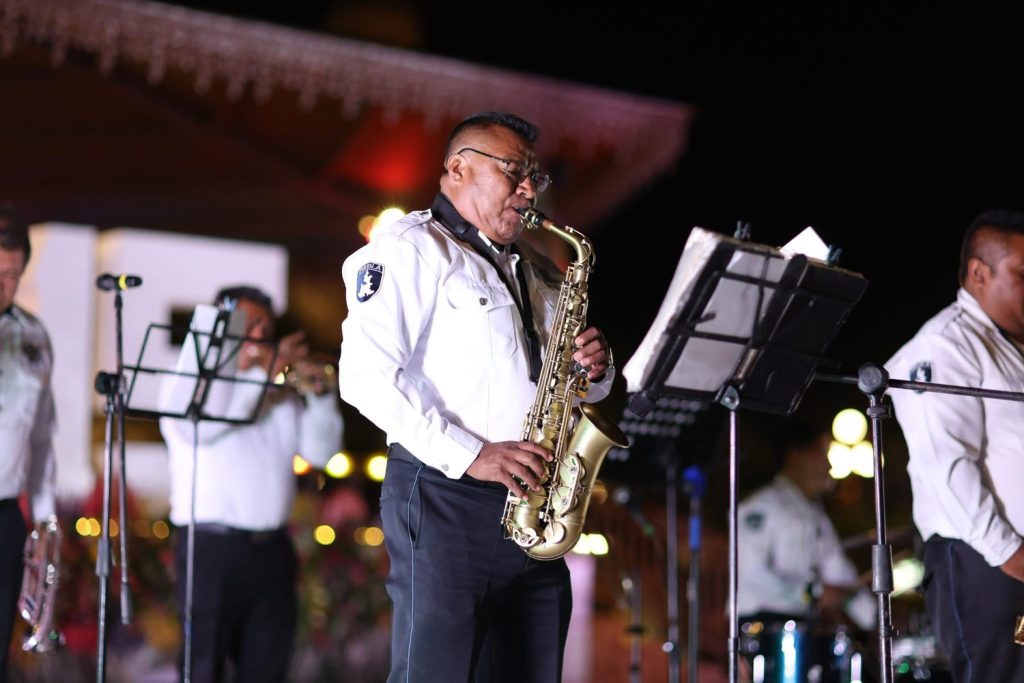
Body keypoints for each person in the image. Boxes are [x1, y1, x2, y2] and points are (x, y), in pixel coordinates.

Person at [337, 111, 615, 682]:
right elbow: (365, 376)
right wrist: (473, 454)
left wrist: (598, 368)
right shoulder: (411, 248)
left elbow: (566, 383)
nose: (528, 189)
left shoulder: (538, 269)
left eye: (535, 177)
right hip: (445, 497)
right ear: (458, 168)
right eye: (513, 171)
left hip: (534, 506)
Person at [159, 285, 343, 683]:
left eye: (266, 326)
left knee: (268, 668)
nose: (259, 334)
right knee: (203, 667)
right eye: (249, 323)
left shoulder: (279, 390)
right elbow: (207, 427)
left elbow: (320, 454)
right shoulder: (189, 382)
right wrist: (265, 372)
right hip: (211, 548)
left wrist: (322, 397)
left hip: (273, 549)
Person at [886, 209, 1024, 681]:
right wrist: (1010, 555)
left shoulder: (1010, 347)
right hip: (988, 564)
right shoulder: (945, 345)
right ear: (979, 273)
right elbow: (946, 465)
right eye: (1023, 273)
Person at [736, 422, 875, 680]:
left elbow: (840, 573)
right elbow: (751, 575)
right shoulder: (761, 507)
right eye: (823, 454)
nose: (830, 466)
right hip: (762, 630)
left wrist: (876, 619)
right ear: (795, 456)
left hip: (804, 629)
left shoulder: (816, 516)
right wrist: (814, 594)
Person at [0, 208, 57, 683]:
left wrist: (44, 516)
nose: (2, 285)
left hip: (4, 514)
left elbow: (41, 436)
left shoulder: (34, 335)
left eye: (11, 274)